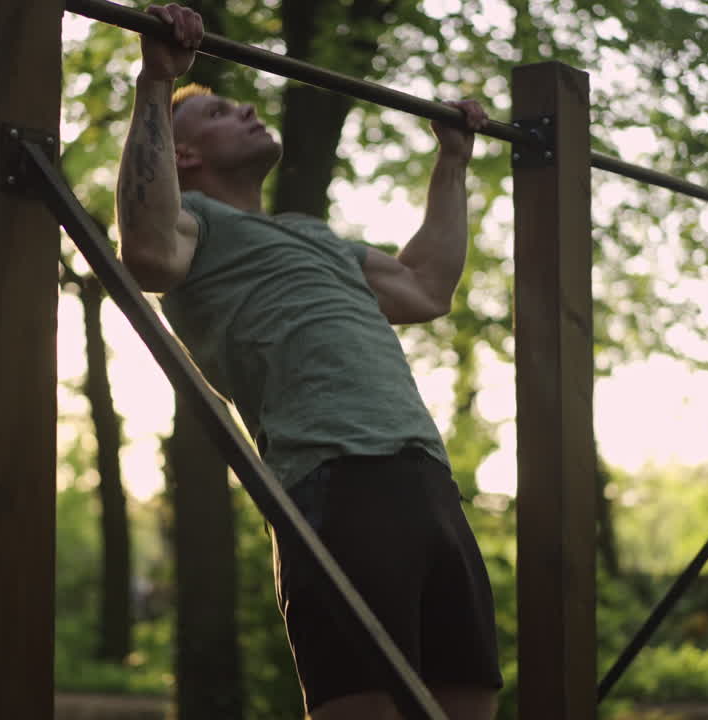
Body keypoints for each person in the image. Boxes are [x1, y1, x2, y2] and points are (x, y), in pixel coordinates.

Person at [116, 5, 502, 719]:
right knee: (364, 705)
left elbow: (425, 287)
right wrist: (156, 82)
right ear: (184, 156)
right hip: (333, 484)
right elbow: (142, 252)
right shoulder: (194, 232)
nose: (251, 109)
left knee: (466, 701)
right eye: (225, 113)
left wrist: (452, 162)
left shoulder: (313, 235)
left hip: (428, 479)